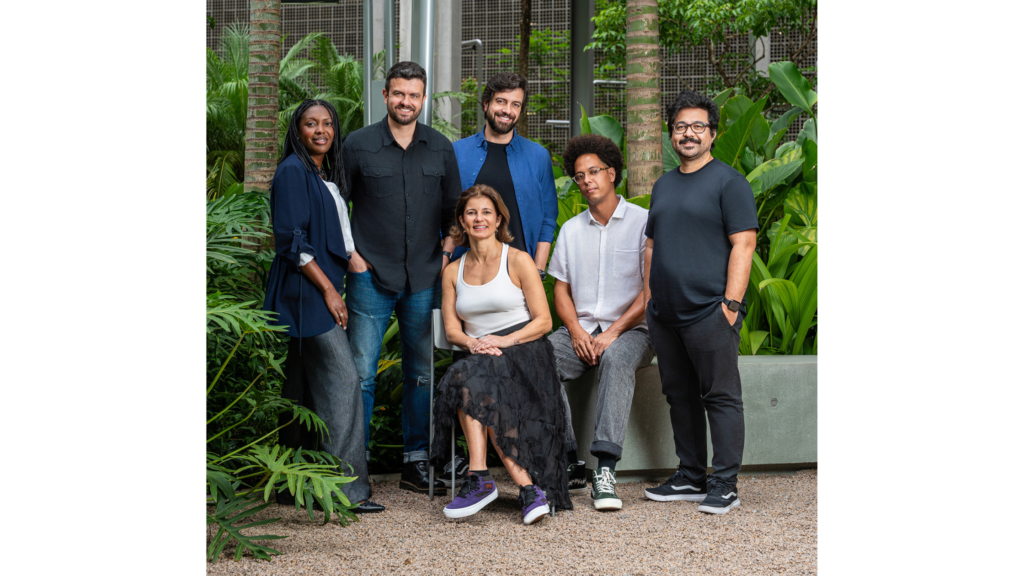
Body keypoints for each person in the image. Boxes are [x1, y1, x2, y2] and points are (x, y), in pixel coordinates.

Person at [341, 62, 462, 495]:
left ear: (423, 98)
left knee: (422, 375)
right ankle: (354, 466)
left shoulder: (440, 148)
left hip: (425, 277)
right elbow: (336, 205)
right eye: (398, 94)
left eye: (413, 95)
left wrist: (446, 253)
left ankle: (416, 462)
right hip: (370, 277)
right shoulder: (357, 145)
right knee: (361, 375)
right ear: (385, 95)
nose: (405, 102)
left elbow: (454, 212)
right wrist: (353, 257)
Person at [263, 99, 383, 514]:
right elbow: (291, 241)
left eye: (327, 123)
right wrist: (331, 291)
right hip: (305, 295)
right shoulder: (293, 171)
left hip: (317, 290)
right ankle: (346, 491)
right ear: (296, 130)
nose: (320, 130)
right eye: (310, 123)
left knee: (303, 392)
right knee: (343, 384)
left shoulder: (318, 174)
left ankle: (292, 486)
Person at [641, 90, 758, 515]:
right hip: (665, 314)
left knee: (720, 397)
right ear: (671, 133)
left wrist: (730, 305)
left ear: (712, 134)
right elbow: (651, 246)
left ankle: (725, 483)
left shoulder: (729, 182)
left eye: (697, 126)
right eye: (680, 127)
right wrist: (650, 301)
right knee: (680, 396)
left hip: (710, 311)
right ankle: (691, 475)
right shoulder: (663, 185)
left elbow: (744, 244)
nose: (688, 134)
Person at [430, 185, 572, 525]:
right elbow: (452, 330)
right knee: (475, 378)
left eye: (486, 212)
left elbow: (544, 321)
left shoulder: (518, 260)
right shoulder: (452, 271)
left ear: (498, 220)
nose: (479, 218)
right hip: (480, 354)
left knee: (471, 379)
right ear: (461, 221)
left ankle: (482, 480)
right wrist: (474, 344)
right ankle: (525, 489)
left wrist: (503, 341)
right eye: (471, 213)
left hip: (525, 350)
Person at [547, 134, 654, 511]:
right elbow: (561, 290)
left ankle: (605, 470)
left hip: (633, 330)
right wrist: (576, 331)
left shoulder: (643, 222)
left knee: (617, 358)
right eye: (579, 175)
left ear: (612, 173)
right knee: (539, 358)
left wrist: (612, 332)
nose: (586, 180)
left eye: (593, 172)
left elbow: (650, 292)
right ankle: (569, 460)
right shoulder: (571, 230)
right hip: (580, 329)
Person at [451, 72, 557, 280]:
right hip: (466, 273)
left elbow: (548, 218)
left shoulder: (538, 156)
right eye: (501, 101)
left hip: (521, 275)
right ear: (486, 104)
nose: (507, 110)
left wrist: (537, 270)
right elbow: (444, 212)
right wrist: (446, 260)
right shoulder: (457, 153)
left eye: (515, 104)